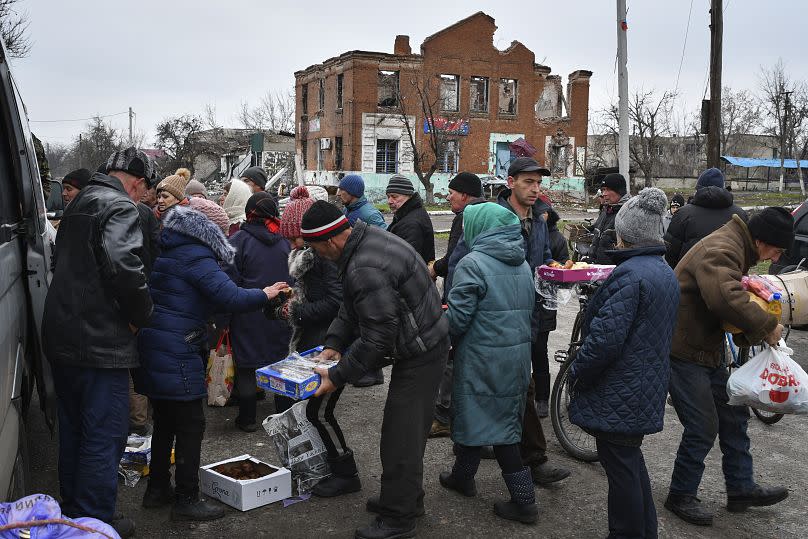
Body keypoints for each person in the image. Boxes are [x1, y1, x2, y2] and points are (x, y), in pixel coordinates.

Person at [303, 201, 449, 539]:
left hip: (423, 352)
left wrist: (336, 376)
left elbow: (378, 338)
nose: (317, 255)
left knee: (400, 437)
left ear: (329, 242)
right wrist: (335, 343)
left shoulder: (363, 266)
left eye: (314, 248)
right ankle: (406, 500)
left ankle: (399, 519)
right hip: (422, 344)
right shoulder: (364, 242)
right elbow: (352, 305)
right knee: (405, 433)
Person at [135, 205, 285, 521]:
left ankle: (158, 489)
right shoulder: (196, 256)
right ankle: (187, 498)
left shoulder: (171, 250)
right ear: (210, 231)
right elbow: (229, 296)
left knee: (164, 422)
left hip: (157, 346)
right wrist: (267, 293)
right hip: (177, 350)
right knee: (191, 425)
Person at [42, 147, 155, 538]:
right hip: (98, 342)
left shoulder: (82, 200)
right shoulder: (119, 206)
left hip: (63, 336)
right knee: (103, 435)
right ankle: (95, 523)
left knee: (73, 431)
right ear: (138, 182)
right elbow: (125, 267)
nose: (143, 198)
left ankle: (73, 517)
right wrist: (141, 316)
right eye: (144, 190)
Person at [664, 207, 793, 527]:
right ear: (761, 241)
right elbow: (725, 298)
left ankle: (740, 489)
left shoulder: (737, 245)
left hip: (705, 348)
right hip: (683, 350)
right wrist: (767, 326)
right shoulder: (723, 249)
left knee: (734, 413)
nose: (775, 259)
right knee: (703, 425)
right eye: (776, 251)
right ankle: (680, 494)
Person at [569, 188, 679, 538]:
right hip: (642, 385)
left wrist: (577, 372)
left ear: (625, 233)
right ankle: (644, 531)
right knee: (629, 464)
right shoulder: (662, 270)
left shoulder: (631, 275)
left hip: (622, 389)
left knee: (620, 469)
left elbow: (603, 342)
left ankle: (626, 533)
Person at [439, 202, 538, 524]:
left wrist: (436, 325)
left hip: (482, 357)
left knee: (500, 430)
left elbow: (459, 319)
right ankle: (461, 478)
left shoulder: (473, 263)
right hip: (516, 357)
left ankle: (525, 503)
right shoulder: (522, 263)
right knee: (488, 418)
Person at [267, 186, 356, 497]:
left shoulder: (324, 257)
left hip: (328, 344)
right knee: (309, 411)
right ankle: (322, 466)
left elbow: (336, 302)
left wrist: (297, 310)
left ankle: (346, 472)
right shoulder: (306, 256)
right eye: (288, 239)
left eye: (296, 239)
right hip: (312, 341)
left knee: (320, 411)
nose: (292, 244)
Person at [496, 157, 571, 486]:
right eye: (528, 182)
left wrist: (558, 271)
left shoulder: (539, 220)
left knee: (518, 389)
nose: (535, 188)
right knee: (496, 390)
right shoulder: (493, 218)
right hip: (496, 319)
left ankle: (531, 459)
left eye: (538, 183)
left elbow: (540, 264)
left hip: (527, 318)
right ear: (510, 182)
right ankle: (468, 461)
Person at [227, 192, 293, 429]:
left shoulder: (237, 241)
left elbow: (228, 282)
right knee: (280, 367)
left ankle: (247, 420)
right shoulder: (285, 241)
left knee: (245, 367)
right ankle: (282, 419)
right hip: (281, 313)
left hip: (247, 312)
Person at [428, 172, 485, 438]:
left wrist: (435, 268)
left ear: (464, 194)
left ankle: (443, 417)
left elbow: (456, 258)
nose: (448, 196)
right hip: (470, 293)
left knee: (450, 356)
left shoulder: (467, 217)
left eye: (451, 192)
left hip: (459, 294)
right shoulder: (484, 213)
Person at [664, 167, 747, 268]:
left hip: (690, 279)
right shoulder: (740, 215)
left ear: (698, 189)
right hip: (729, 279)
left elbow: (671, 253)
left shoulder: (683, 214)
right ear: (723, 188)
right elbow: (745, 253)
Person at [533, 195, 569, 418]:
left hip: (546, 303)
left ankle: (542, 398)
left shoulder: (557, 238)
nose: (541, 215)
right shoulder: (528, 231)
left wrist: (557, 270)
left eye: (544, 211)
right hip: (527, 300)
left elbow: (564, 266)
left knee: (539, 352)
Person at [386, 175, 435, 264]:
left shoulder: (411, 223)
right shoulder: (406, 214)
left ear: (408, 196)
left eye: (394, 197)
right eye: (388, 196)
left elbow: (404, 262)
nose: (389, 201)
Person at [589, 173, 631, 264]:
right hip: (598, 269)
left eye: (608, 190)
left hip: (615, 271)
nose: (604, 194)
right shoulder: (606, 210)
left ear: (619, 191)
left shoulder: (629, 213)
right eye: (603, 190)